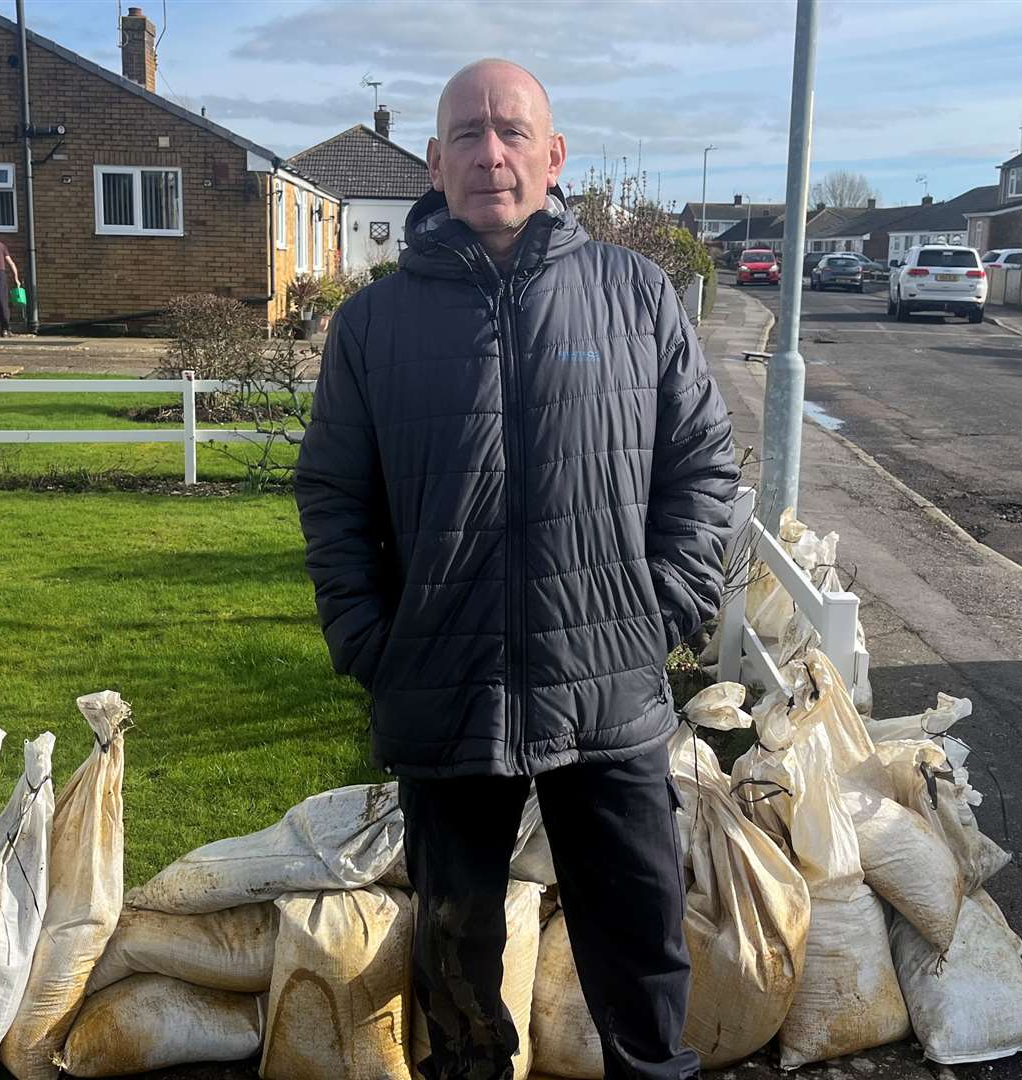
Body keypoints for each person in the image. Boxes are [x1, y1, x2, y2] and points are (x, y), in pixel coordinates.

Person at [294, 59, 738, 1080]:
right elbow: (332, 498)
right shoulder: (373, 327)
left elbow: (701, 463)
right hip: (443, 688)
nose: (489, 154)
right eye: (465, 134)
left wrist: (661, 605)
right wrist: (370, 643)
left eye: (509, 132)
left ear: (551, 156)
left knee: (638, 948)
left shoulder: (633, 296)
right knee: (453, 958)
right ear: (434, 161)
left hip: (609, 681)